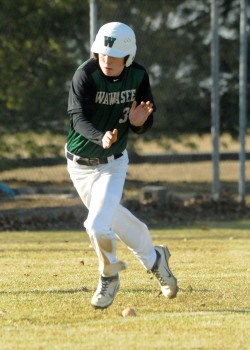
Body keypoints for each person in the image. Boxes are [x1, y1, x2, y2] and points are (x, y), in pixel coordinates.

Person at [65, 22, 178, 309]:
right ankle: (155, 259)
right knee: (112, 218)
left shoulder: (138, 75)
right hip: (79, 165)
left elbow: (144, 117)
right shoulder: (85, 74)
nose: (106, 59)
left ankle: (109, 274)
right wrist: (100, 136)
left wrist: (139, 124)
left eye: (114, 55)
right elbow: (77, 119)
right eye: (102, 52)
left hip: (112, 165)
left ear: (128, 57)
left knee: (96, 223)